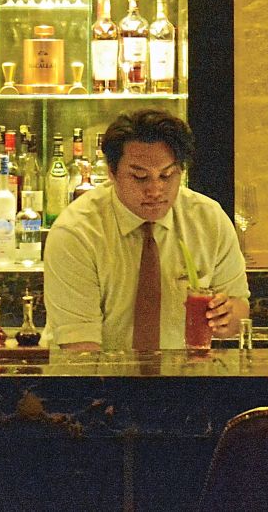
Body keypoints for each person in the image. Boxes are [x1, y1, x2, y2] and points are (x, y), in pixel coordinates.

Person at [43, 109, 250, 350]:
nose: (155, 189)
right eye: (140, 177)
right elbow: (80, 349)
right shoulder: (76, 233)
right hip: (95, 379)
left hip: (183, 378)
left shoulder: (208, 219)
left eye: (167, 175)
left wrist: (226, 317)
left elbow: (240, 310)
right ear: (112, 172)